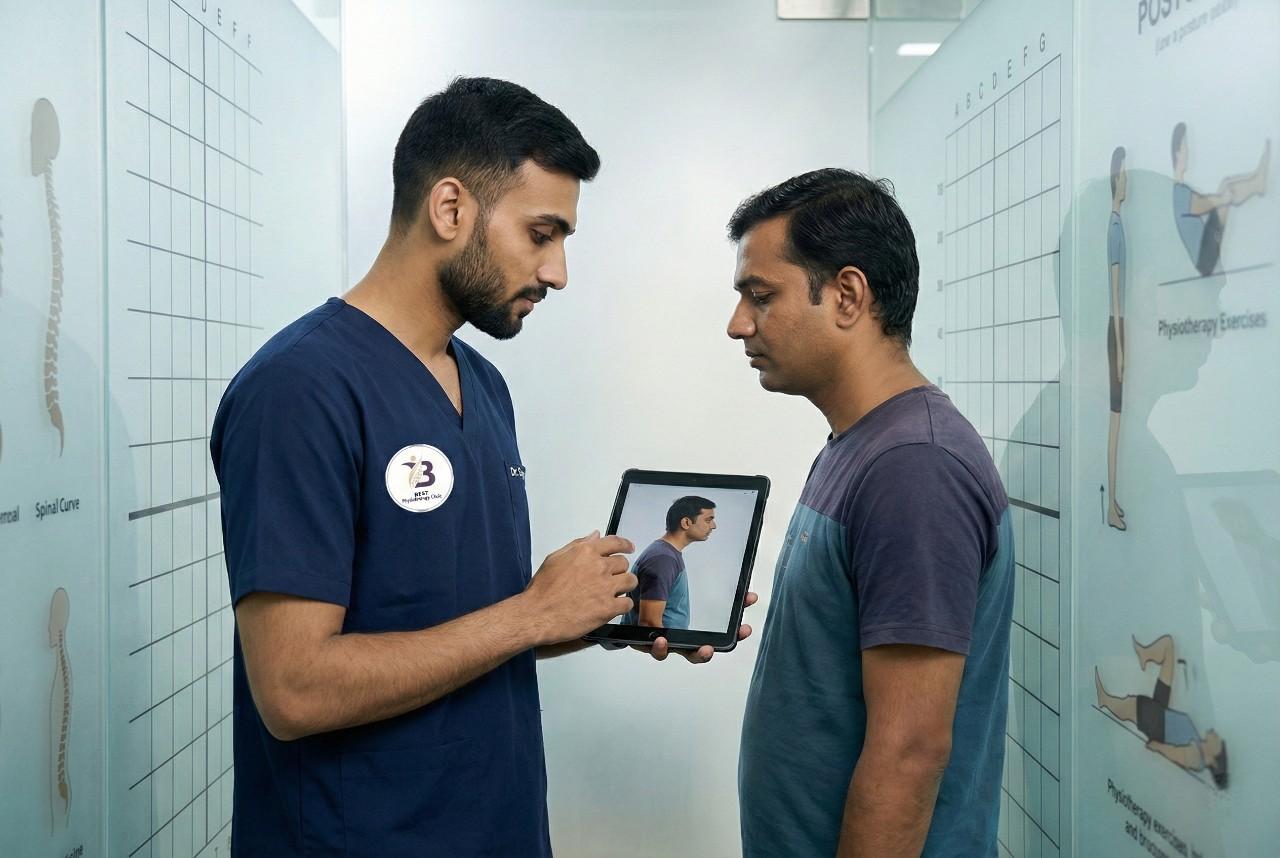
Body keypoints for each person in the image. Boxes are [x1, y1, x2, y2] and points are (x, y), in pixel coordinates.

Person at [210, 77, 749, 857]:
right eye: (541, 234)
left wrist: (589, 612)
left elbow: (462, 629)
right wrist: (532, 613)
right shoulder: (298, 390)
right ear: (450, 208)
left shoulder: (484, 385)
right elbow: (293, 689)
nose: (558, 272)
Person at [728, 168, 1015, 857]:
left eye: (760, 296)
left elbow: (909, 753)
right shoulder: (863, 443)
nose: (739, 323)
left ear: (848, 296)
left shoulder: (914, 468)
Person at [1095, 634, 1228, 788]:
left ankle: (1105, 700)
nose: (1217, 736)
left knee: (1133, 705)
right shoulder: (1199, 748)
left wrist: (1158, 747)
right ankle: (1145, 654)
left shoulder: (1196, 757)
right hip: (1163, 713)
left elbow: (1176, 755)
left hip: (1159, 725)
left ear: (1214, 760)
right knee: (1168, 646)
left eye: (1218, 743)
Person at [1170, 123, 1269, 277]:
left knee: (1226, 184)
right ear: (1178, 153)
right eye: (1185, 147)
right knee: (1226, 189)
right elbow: (1201, 204)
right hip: (1204, 258)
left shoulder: (1180, 190)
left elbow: (1202, 202)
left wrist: (1223, 198)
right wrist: (1224, 199)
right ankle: (1257, 183)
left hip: (1205, 246)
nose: (1188, 152)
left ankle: (1256, 179)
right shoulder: (1179, 193)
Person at [623, 496, 717, 629]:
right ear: (686, 522)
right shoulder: (663, 560)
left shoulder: (666, 554)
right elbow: (649, 624)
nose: (714, 526)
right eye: (708, 520)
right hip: (660, 641)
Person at [1107, 146, 1128, 531]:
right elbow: (1114, 288)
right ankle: (1110, 502)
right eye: (1123, 174)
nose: (1127, 181)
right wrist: (1121, 346)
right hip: (1116, 326)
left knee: (1118, 418)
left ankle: (1113, 500)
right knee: (1115, 418)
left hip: (1120, 324)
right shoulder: (1113, 226)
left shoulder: (1118, 222)